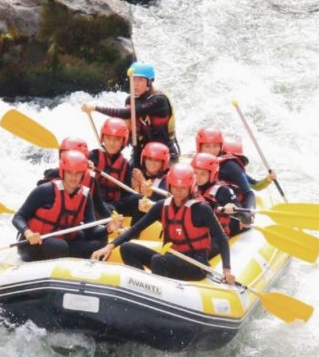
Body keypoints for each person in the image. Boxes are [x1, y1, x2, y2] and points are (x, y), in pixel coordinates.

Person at [91, 163, 236, 284]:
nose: (178, 192)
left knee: (158, 260)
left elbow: (222, 238)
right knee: (127, 248)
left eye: (182, 188)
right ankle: (142, 286)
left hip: (196, 264)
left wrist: (227, 270)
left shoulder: (200, 209)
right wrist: (109, 247)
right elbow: (136, 229)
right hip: (169, 259)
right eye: (175, 187)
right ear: (170, 186)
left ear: (190, 187)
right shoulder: (162, 206)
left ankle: (158, 293)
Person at [13, 151, 117, 262]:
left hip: (62, 244)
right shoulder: (45, 190)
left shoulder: (86, 196)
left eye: (78, 173)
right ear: (63, 172)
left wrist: (108, 229)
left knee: (99, 245)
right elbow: (18, 217)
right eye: (70, 173)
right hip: (33, 245)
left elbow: (90, 231)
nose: (74, 177)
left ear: (83, 174)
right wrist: (29, 234)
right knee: (59, 246)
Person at [81, 61, 180, 168]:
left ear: (149, 82)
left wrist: (96, 107)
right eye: (133, 79)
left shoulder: (159, 100)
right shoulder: (130, 100)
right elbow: (127, 132)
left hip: (165, 155)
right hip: (141, 154)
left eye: (140, 80)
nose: (135, 84)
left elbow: (127, 113)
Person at [38, 137, 111, 219]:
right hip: (54, 223)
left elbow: (99, 206)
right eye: (64, 154)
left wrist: (112, 220)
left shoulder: (91, 179)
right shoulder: (53, 174)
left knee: (110, 209)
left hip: (76, 222)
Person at [90, 118, 134, 216]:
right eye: (108, 138)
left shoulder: (125, 165)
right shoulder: (93, 156)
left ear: (123, 141)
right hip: (93, 203)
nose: (111, 143)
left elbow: (127, 194)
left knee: (136, 199)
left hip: (113, 205)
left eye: (116, 139)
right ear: (103, 138)